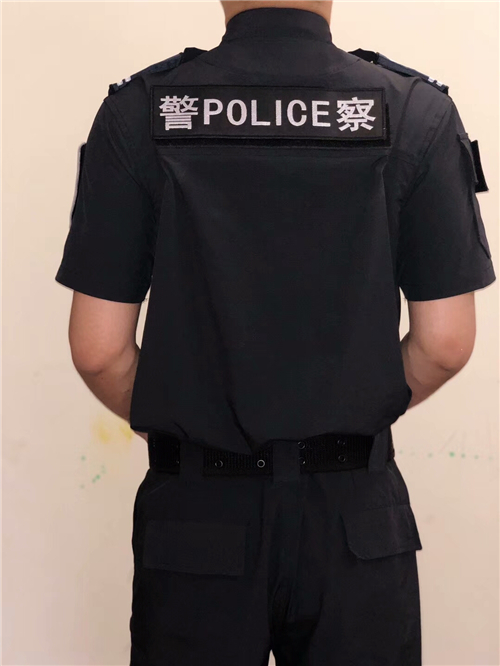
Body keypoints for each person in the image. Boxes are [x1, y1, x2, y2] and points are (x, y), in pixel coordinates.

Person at [54, 2, 496, 664]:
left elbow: (98, 350)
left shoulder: (141, 112)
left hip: (197, 519)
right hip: (355, 522)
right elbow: (445, 343)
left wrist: (190, 421)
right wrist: (348, 412)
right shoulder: (414, 112)